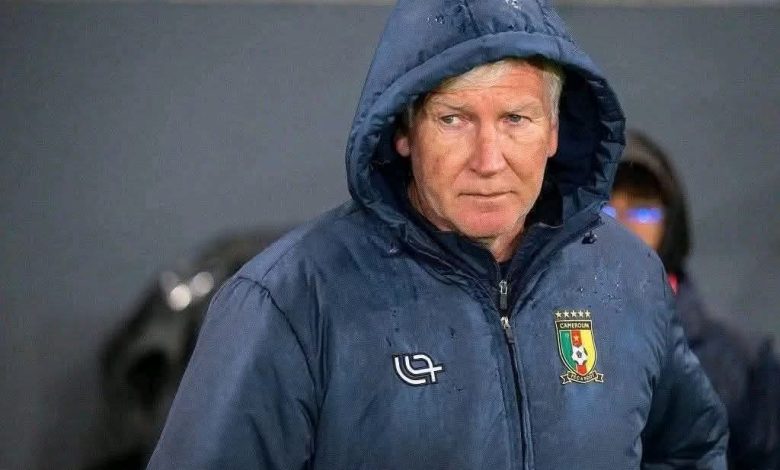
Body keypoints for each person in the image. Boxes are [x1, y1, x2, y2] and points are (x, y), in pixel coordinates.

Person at [147, 1, 728, 468]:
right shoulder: (291, 300)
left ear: (553, 131)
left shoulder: (626, 274)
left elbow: (690, 448)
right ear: (404, 131)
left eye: (516, 119)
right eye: (454, 119)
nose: (488, 160)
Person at [607, 130, 780, 469]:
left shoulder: (743, 361)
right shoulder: (542, 346)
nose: (623, 227)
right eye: (606, 210)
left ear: (672, 225)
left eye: (643, 212)